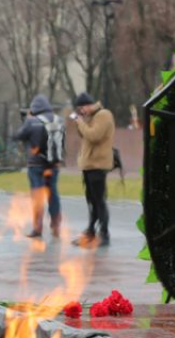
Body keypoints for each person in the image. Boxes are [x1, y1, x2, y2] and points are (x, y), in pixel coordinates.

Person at [12, 94, 63, 239]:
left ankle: (38, 228)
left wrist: (26, 121)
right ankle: (56, 226)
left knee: (37, 196)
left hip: (36, 165)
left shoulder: (32, 121)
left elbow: (18, 136)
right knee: (53, 195)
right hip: (54, 165)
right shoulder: (59, 120)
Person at [71, 91, 115, 248]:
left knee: (99, 201)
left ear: (88, 105)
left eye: (82, 108)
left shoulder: (104, 115)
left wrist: (81, 122)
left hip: (98, 165)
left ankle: (104, 234)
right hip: (89, 165)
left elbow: (94, 136)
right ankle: (90, 232)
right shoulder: (91, 117)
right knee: (92, 202)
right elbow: (85, 137)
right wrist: (81, 122)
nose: (81, 111)